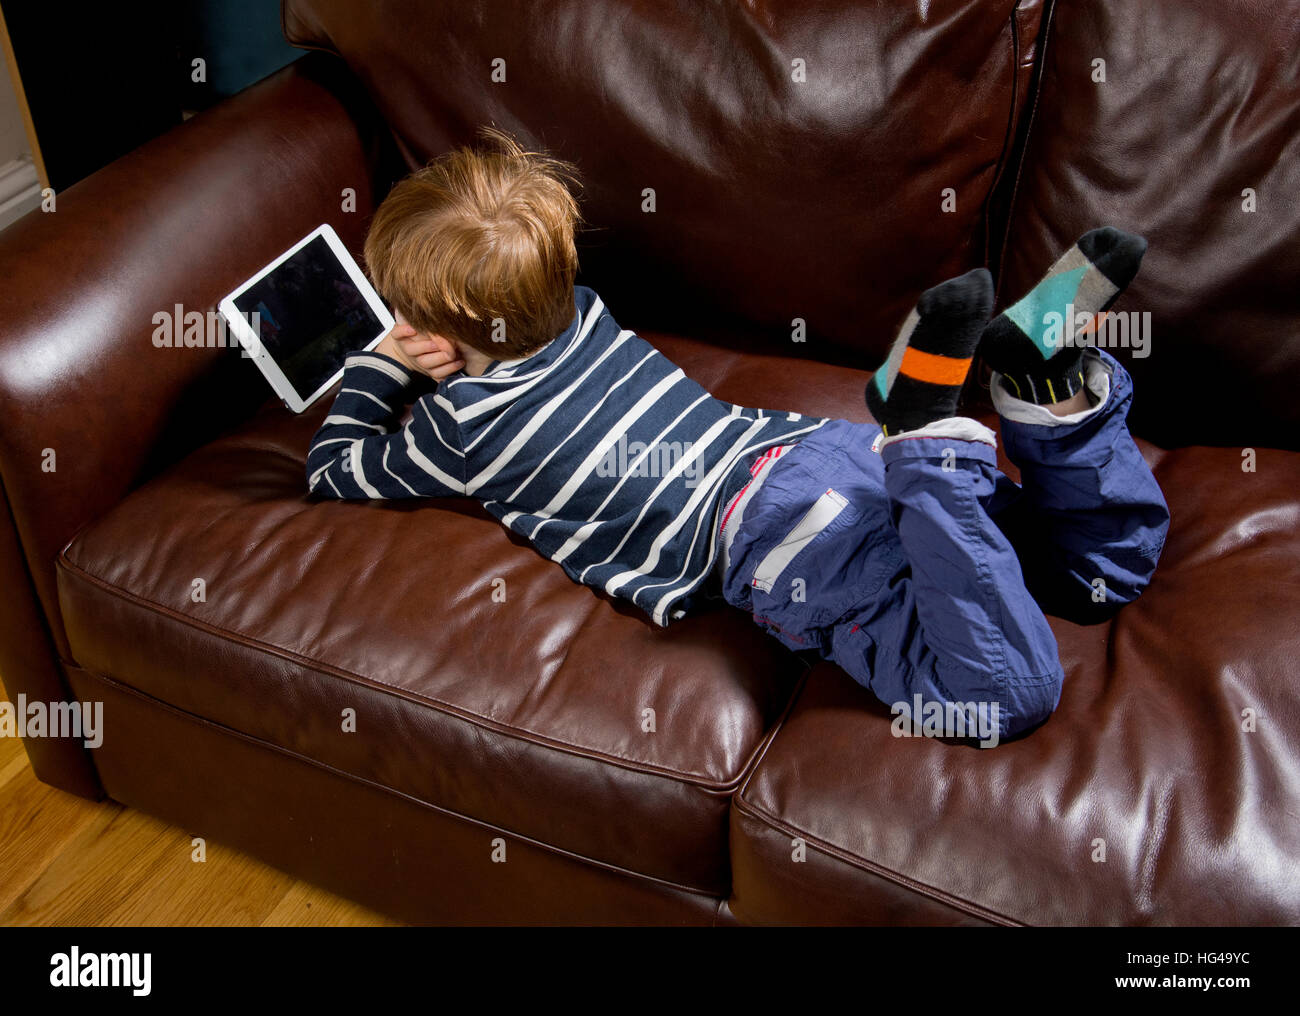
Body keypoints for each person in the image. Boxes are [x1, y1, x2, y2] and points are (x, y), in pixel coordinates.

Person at [306, 128, 1170, 743]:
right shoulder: (580, 313)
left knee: (1002, 693)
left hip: (777, 538)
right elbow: (528, 352)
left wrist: (382, 367)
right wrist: (468, 344)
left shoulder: (462, 431)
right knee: (1098, 575)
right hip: (825, 453)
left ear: (444, 323)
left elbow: (337, 470)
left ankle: (929, 440)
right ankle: (1044, 386)